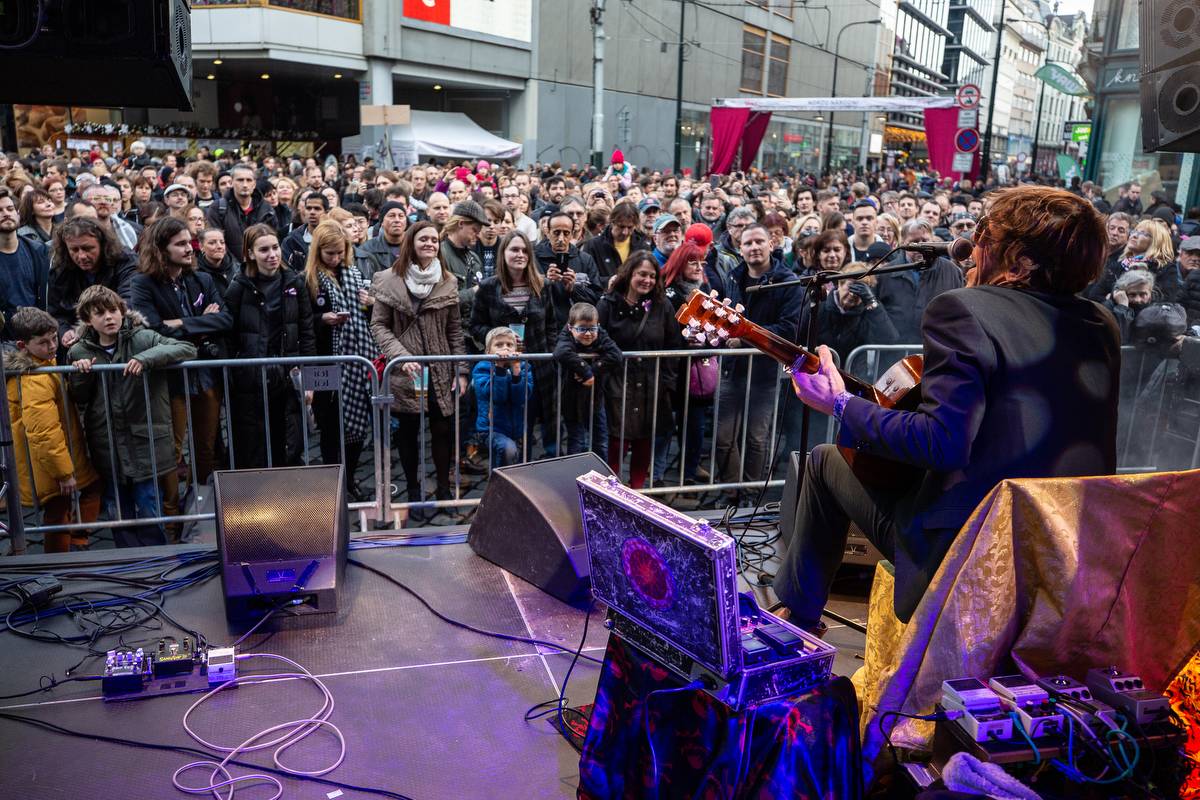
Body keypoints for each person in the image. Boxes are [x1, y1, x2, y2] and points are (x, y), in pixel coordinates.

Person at [777, 186, 1122, 632]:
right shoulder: (1101, 323)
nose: (972, 247)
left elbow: (942, 442)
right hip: (1065, 549)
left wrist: (838, 402)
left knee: (824, 461)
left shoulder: (964, 309)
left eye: (985, 235)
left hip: (966, 548)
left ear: (1020, 262)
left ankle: (797, 620)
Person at [67, 285, 197, 547]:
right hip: (108, 443)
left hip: (143, 442)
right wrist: (80, 374)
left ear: (122, 311)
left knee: (149, 505)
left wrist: (148, 358)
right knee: (117, 510)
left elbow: (186, 348)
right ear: (88, 319)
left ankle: (157, 559)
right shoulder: (80, 351)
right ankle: (126, 556)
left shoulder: (143, 337)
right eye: (100, 313)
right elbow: (80, 398)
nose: (109, 317)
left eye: (113, 311)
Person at [129, 216, 231, 500]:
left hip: (204, 376)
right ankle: (172, 519)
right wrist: (199, 322)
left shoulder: (201, 278)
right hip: (170, 379)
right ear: (162, 249)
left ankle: (202, 507)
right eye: (181, 244)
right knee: (171, 450)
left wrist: (180, 324)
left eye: (190, 242)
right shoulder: (143, 284)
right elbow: (154, 328)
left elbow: (224, 319)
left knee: (206, 447)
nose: (190, 249)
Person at [371, 221, 467, 506]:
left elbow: (454, 330)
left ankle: (443, 487)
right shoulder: (388, 279)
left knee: (442, 430)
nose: (430, 244)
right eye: (423, 239)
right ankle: (412, 488)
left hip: (439, 368)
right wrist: (401, 355)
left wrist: (461, 370)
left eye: (434, 240)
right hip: (405, 370)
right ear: (411, 242)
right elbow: (378, 326)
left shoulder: (447, 281)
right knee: (408, 432)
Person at [712, 223, 803, 491]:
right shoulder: (733, 276)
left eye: (759, 241)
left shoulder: (787, 280)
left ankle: (751, 492)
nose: (754, 247)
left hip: (764, 372)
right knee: (723, 437)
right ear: (740, 248)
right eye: (748, 243)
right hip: (732, 369)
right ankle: (730, 491)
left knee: (757, 438)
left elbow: (789, 327)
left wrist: (745, 338)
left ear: (771, 244)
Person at [5, 307, 101, 552]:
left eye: (54, 339)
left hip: (55, 457)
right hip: (48, 463)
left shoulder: (45, 363)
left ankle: (75, 543)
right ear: (22, 345)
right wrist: (63, 472)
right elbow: (43, 432)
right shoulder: (35, 378)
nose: (51, 346)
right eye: (43, 342)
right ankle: (58, 559)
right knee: (58, 513)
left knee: (77, 499)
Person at [223, 223, 316, 469]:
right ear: (250, 253)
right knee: (253, 444)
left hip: (287, 376)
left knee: (288, 441)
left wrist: (308, 376)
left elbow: (306, 331)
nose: (272, 254)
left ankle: (288, 499)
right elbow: (230, 334)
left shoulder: (294, 283)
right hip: (250, 378)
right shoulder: (238, 287)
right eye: (264, 250)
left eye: (275, 247)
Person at [305, 220, 378, 499]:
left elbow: (369, 316)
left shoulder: (354, 274)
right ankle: (332, 484)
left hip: (356, 360)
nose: (335, 259)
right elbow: (301, 322)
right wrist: (321, 319)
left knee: (357, 426)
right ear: (318, 252)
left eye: (340, 253)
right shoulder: (309, 280)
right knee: (329, 426)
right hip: (325, 361)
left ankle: (350, 478)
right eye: (330, 254)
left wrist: (370, 304)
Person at [598, 252, 682, 489]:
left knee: (644, 441)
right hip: (617, 382)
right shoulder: (608, 303)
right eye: (642, 274)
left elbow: (673, 344)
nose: (647, 280)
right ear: (629, 274)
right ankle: (611, 493)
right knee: (617, 441)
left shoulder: (662, 306)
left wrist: (667, 381)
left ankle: (637, 493)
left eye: (652, 276)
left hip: (651, 384)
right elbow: (597, 338)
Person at [47, 218, 138, 346]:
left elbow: (128, 302)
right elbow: (56, 313)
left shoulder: (125, 261)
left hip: (123, 338)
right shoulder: (61, 269)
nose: (81, 256)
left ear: (102, 244)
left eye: (88, 248)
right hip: (80, 347)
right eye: (74, 250)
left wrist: (85, 330)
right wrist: (65, 332)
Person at [874, 219, 965, 343]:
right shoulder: (886, 273)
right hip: (895, 351)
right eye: (915, 242)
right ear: (903, 243)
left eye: (925, 241)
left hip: (937, 348)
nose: (921, 246)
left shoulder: (952, 271)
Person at [554, 302, 622, 458]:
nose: (588, 334)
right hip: (572, 399)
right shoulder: (566, 335)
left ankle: (602, 478)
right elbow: (561, 351)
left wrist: (592, 371)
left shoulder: (599, 333)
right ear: (571, 328)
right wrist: (585, 370)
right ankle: (573, 477)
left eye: (592, 328)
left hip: (595, 399)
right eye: (582, 329)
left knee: (601, 440)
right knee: (577, 441)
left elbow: (616, 355)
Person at [813, 261, 898, 363]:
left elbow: (889, 340)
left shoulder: (868, 311)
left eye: (860, 290)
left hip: (853, 372)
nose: (853, 294)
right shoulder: (821, 307)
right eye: (852, 287)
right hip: (821, 369)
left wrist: (872, 302)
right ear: (840, 283)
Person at [472, 327, 531, 467]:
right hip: (491, 428)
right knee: (507, 450)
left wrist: (516, 373)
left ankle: (499, 488)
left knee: (512, 467)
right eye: (499, 345)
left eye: (509, 345)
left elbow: (521, 398)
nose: (505, 349)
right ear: (488, 351)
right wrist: (499, 369)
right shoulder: (482, 368)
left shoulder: (523, 366)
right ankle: (498, 488)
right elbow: (497, 397)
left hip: (516, 428)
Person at [0, 187, 50, 342]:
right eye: (0, 210)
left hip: (36, 338)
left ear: (18, 214)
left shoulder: (38, 250)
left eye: (10, 209)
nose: (6, 213)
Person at [206, 165, 277, 261]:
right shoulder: (218, 208)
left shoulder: (267, 210)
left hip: (260, 266)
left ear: (254, 184)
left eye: (249, 180)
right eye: (240, 180)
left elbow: (273, 242)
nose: (245, 184)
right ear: (231, 183)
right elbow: (215, 242)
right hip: (229, 268)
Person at [582, 201, 647, 280]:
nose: (625, 232)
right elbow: (587, 278)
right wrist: (608, 282)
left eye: (630, 227)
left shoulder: (642, 247)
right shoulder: (593, 246)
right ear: (612, 222)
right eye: (621, 227)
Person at [357, 200, 407, 281]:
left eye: (401, 216)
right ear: (382, 222)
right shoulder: (367, 249)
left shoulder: (415, 247)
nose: (397, 220)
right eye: (392, 216)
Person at [1104, 269, 1155, 344]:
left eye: (1142, 294)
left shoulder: (1156, 310)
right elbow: (1120, 340)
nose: (1137, 300)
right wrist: (1122, 308)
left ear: (1150, 293)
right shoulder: (1108, 308)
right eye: (1132, 295)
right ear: (1122, 293)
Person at [282, 191, 328, 273]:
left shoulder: (334, 238)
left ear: (326, 212)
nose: (312, 212)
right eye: (308, 208)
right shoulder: (291, 240)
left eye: (317, 208)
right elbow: (285, 270)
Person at [196, 227, 238, 295]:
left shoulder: (238, 269)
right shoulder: (197, 275)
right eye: (212, 243)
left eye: (222, 242)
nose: (219, 246)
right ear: (201, 247)